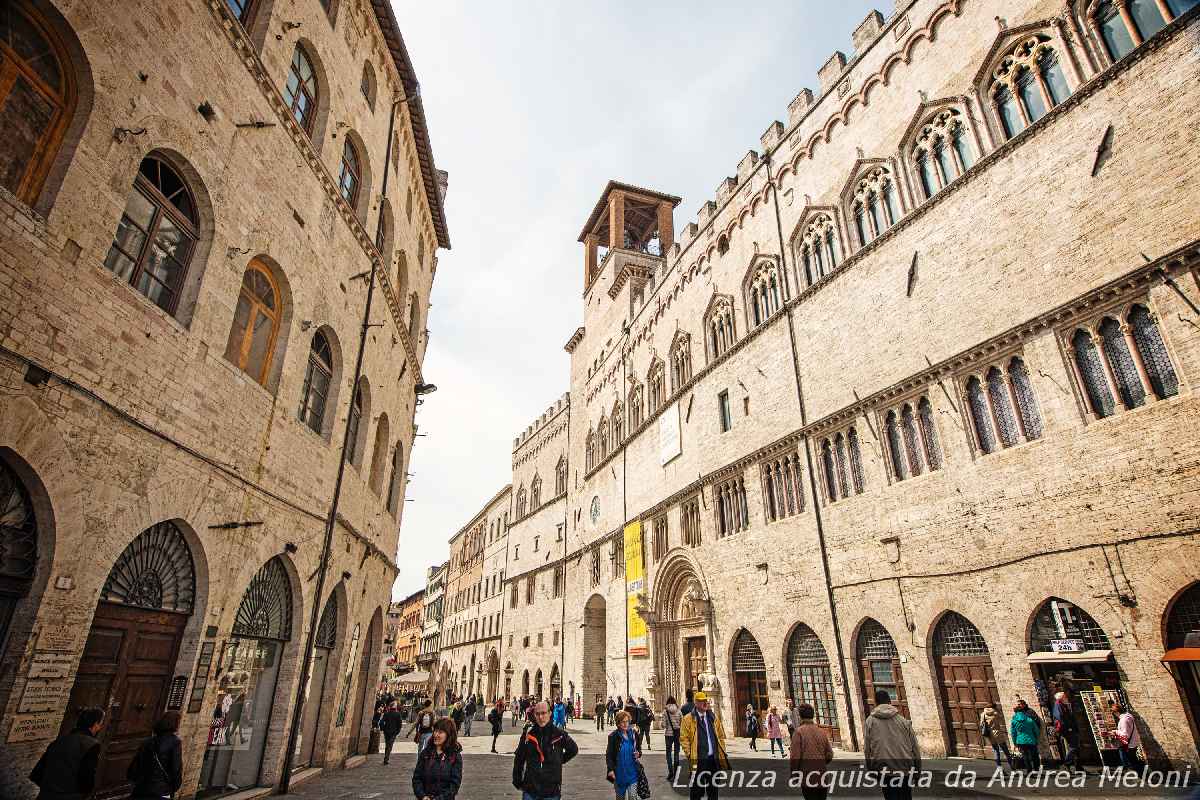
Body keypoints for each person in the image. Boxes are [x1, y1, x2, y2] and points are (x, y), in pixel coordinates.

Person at [30, 707, 105, 800]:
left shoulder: (59, 741)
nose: (100, 727)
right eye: (100, 724)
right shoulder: (91, 745)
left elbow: (37, 774)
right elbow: (86, 781)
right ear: (95, 724)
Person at [513, 701, 578, 800]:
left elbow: (573, 749)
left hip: (551, 789)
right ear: (534, 715)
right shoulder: (529, 734)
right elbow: (519, 757)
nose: (540, 717)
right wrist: (517, 780)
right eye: (538, 714)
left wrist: (559, 760)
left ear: (549, 713)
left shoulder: (559, 734)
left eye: (543, 713)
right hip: (531, 788)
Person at [863, 690, 920, 800]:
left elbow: (867, 748)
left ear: (875, 703)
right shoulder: (903, 721)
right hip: (904, 768)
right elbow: (915, 748)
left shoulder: (870, 721)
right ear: (890, 701)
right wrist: (917, 771)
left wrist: (870, 768)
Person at [678, 691, 728, 800]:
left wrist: (721, 750)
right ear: (696, 703)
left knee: (713, 791)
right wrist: (690, 753)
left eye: (705, 701)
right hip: (698, 760)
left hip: (713, 760)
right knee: (696, 792)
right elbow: (683, 738)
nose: (705, 703)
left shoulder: (713, 717)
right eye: (701, 701)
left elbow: (720, 735)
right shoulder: (688, 719)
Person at [126, 711, 183, 800]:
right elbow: (176, 769)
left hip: (142, 789)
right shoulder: (175, 742)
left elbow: (134, 767)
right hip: (161, 791)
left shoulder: (147, 741)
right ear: (175, 724)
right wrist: (173, 787)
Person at [789, 703, 833, 800]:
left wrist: (794, 773)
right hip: (822, 775)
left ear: (800, 716)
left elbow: (795, 757)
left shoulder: (799, 732)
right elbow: (829, 754)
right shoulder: (821, 732)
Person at [412, 717, 462, 800]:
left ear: (449, 735)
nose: (436, 735)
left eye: (440, 732)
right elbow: (417, 778)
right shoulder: (426, 753)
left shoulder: (454, 756)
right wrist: (422, 796)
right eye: (435, 731)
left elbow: (454, 786)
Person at [606, 710, 643, 800]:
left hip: (632, 772)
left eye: (627, 721)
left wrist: (638, 753)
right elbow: (609, 755)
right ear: (618, 723)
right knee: (620, 797)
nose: (626, 724)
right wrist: (610, 770)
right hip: (619, 774)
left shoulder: (634, 735)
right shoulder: (613, 737)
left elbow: (639, 750)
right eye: (623, 722)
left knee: (633, 796)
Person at [1010, 699, 1042, 772]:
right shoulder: (1029, 720)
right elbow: (1036, 730)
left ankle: (1029, 770)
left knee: (1025, 756)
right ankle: (1036, 769)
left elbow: (1013, 733)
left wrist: (1015, 742)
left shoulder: (1014, 721)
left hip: (1020, 740)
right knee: (1034, 755)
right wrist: (1036, 738)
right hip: (1031, 739)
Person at [1110, 703, 1141, 772]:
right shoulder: (1128, 717)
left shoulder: (1124, 720)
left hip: (1129, 744)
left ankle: (1141, 775)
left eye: (1114, 713)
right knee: (1133, 760)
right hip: (1132, 742)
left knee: (1132, 761)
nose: (1114, 715)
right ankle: (1139, 773)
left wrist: (1115, 732)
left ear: (1117, 712)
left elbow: (1125, 735)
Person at [1051, 692, 1079, 769]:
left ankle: (1078, 766)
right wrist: (1068, 727)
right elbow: (1060, 717)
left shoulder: (1064, 704)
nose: (1066, 697)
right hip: (1067, 729)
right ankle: (1067, 763)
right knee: (1074, 746)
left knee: (1075, 746)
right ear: (1061, 698)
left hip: (1070, 728)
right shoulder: (1058, 705)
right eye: (1065, 696)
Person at [979, 703, 1012, 768]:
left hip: (990, 734)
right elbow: (1001, 718)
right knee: (1006, 751)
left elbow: (981, 724)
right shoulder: (996, 713)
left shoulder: (983, 714)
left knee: (996, 751)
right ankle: (1012, 767)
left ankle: (999, 768)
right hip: (998, 733)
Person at [662, 695, 682, 781]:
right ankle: (676, 773)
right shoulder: (679, 711)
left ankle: (671, 772)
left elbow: (663, 725)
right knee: (676, 753)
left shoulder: (665, 712)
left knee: (668, 754)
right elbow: (683, 723)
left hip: (668, 735)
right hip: (677, 734)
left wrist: (663, 724)